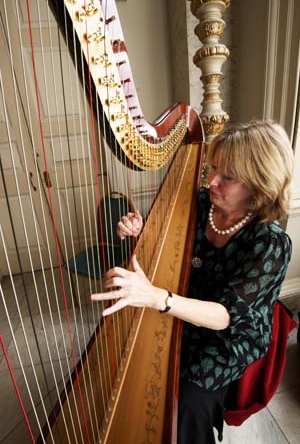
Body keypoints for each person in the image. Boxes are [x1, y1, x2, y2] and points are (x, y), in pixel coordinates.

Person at [91, 120, 294, 444]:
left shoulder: (269, 243)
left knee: (185, 401)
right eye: (213, 168)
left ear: (260, 183)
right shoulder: (199, 202)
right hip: (181, 302)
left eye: (227, 176)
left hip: (228, 336)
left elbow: (226, 315)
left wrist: (159, 299)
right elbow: (172, 252)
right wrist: (141, 231)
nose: (211, 181)